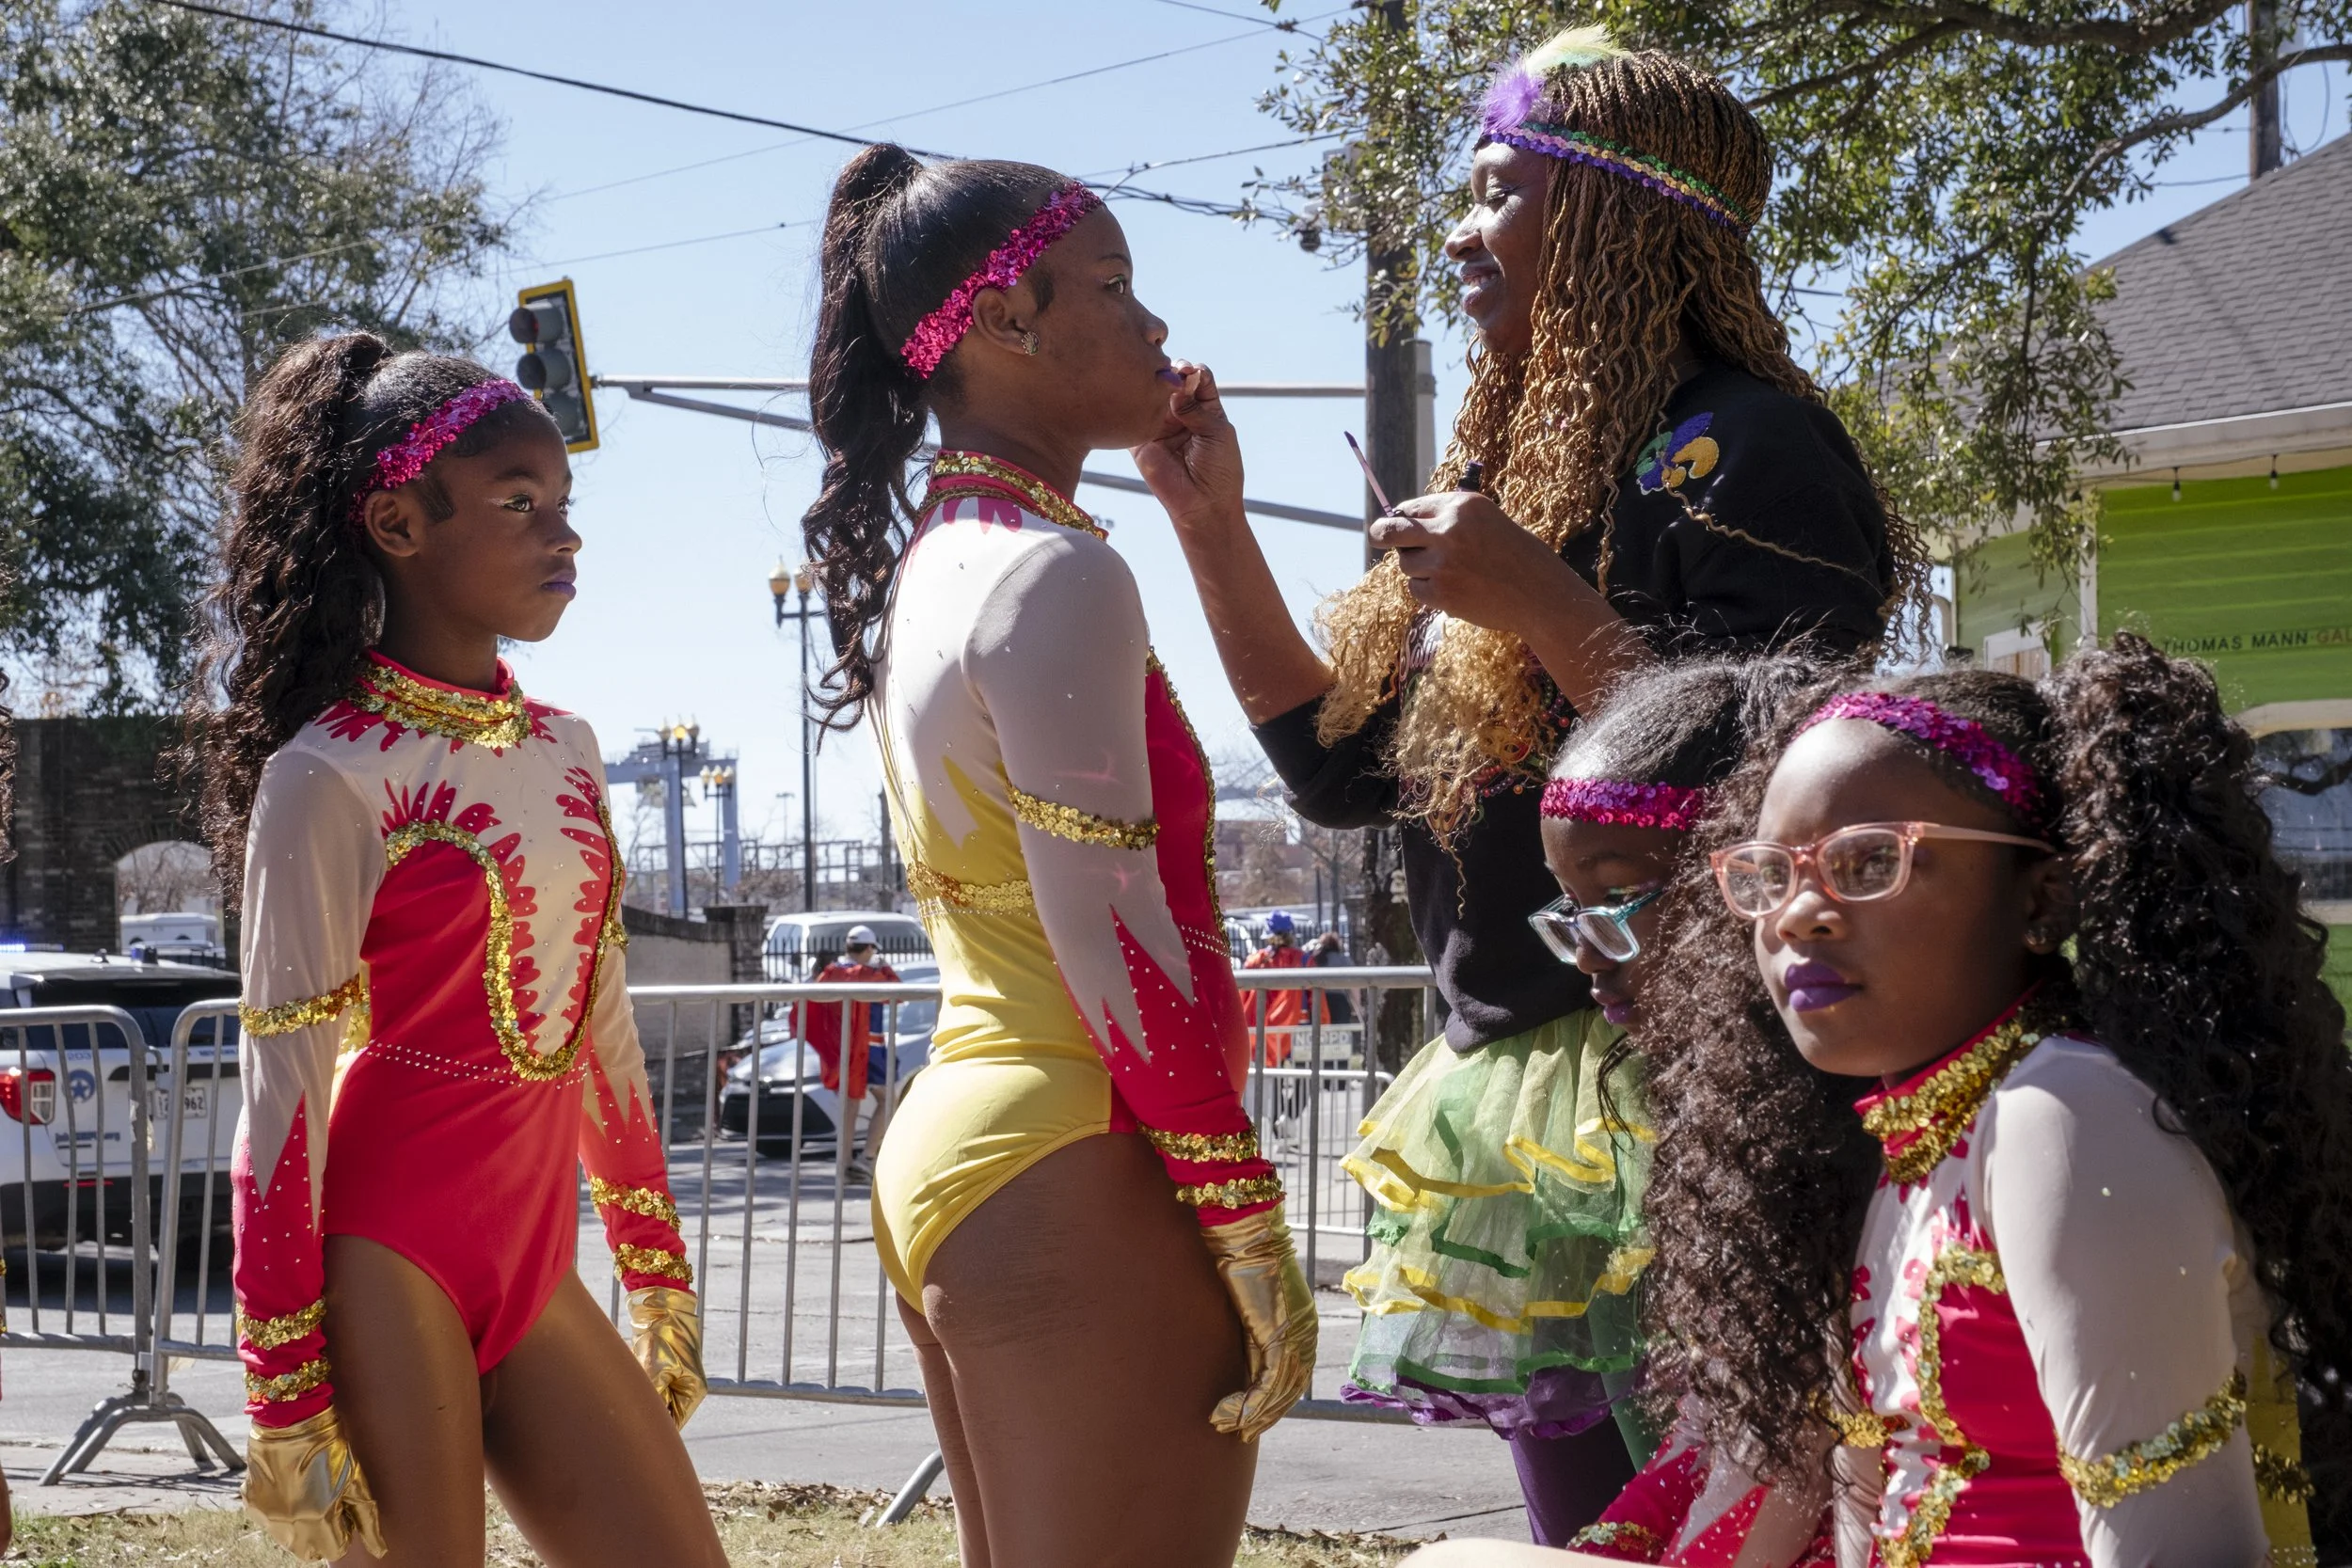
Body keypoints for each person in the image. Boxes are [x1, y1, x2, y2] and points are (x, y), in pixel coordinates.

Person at [1139, 24, 1925, 1540]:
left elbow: (1786, 805)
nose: (1457, 226)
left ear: (1622, 215)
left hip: (1699, 1086)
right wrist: (1209, 522)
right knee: (1586, 1532)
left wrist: (1541, 607)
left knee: (1744, 1529)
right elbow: (1337, 770)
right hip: (1519, 1094)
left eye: (1499, 188)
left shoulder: (1753, 451)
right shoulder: (1537, 466)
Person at [800, 144, 1314, 1568]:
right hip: (1079, 1151)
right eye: (1114, 286)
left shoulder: (952, 552)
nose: (1157, 325)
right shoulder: (1054, 568)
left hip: (980, 1140)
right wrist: (1241, 1205)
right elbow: (1115, 933)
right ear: (1002, 323)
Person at [1606, 635, 2346, 1565]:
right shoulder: (1899, 1137)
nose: (1796, 914)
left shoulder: (2064, 1114)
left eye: (1868, 861)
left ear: (2040, 897)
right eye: (1768, 875)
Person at [187, 338, 721, 1565]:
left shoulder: (571, 749)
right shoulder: (327, 771)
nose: (564, 536)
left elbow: (603, 1026)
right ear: (396, 521)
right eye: (518, 503)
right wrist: (282, 1387)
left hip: (533, 1257)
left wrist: (655, 1261)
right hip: (386, 1250)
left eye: (565, 505)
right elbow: (282, 1086)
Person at [799, 925, 902, 1164]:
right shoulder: (870, 975)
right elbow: (897, 990)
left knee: (850, 1105)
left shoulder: (832, 972)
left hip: (843, 1048)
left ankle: (844, 1161)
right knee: (887, 1101)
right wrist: (883, 965)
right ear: (868, 948)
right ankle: (867, 1157)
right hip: (870, 1048)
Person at [1240, 911, 1326, 1065]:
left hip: (1266, 1029)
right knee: (1303, 1074)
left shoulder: (1256, 961)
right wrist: (1323, 1026)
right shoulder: (1304, 960)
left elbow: (1242, 999)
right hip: (1299, 1026)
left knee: (1270, 1075)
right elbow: (1317, 998)